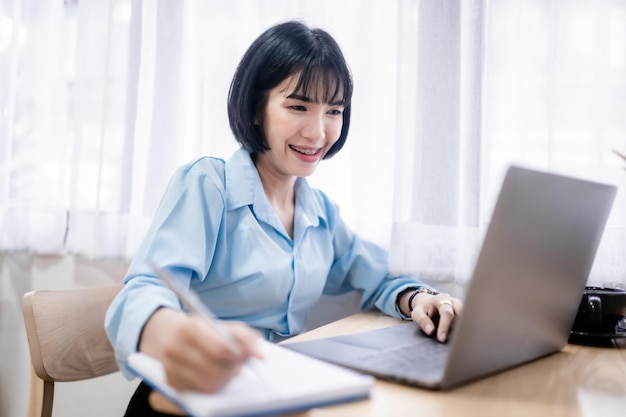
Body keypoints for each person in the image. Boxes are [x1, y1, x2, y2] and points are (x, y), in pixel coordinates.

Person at [105, 19, 463, 416]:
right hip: (189, 401)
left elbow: (379, 278)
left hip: (270, 398)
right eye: (298, 106)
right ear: (257, 108)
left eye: (334, 111)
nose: (318, 131)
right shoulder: (209, 185)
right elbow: (140, 292)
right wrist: (171, 332)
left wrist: (420, 298)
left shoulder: (320, 213)